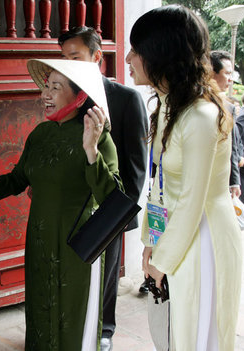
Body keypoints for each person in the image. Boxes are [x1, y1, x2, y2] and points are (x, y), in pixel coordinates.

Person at [0, 58, 121, 350]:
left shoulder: (99, 137)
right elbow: (18, 178)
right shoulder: (40, 134)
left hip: (79, 244)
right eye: (46, 86)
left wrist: (91, 150)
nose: (45, 94)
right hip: (41, 240)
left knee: (74, 314)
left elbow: (112, 196)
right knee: (41, 308)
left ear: (80, 95)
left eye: (55, 88)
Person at [127, 5, 242, 350]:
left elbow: (192, 201)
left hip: (202, 237)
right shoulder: (167, 107)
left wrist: (162, 260)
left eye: (137, 49)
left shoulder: (200, 116)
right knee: (170, 333)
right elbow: (159, 188)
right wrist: (150, 241)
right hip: (175, 234)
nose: (129, 57)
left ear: (162, 53)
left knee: (195, 331)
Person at [58, 27, 148, 351]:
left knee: (107, 278)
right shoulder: (66, 99)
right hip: (73, 206)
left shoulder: (126, 99)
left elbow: (137, 167)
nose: (67, 64)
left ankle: (105, 330)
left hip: (111, 206)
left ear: (97, 57)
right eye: (63, 58)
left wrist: (118, 214)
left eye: (75, 57)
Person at [210, 50, 243, 199]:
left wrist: (234, 182)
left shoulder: (228, 107)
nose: (231, 80)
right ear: (211, 72)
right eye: (227, 74)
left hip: (218, 184)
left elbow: (232, 147)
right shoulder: (187, 103)